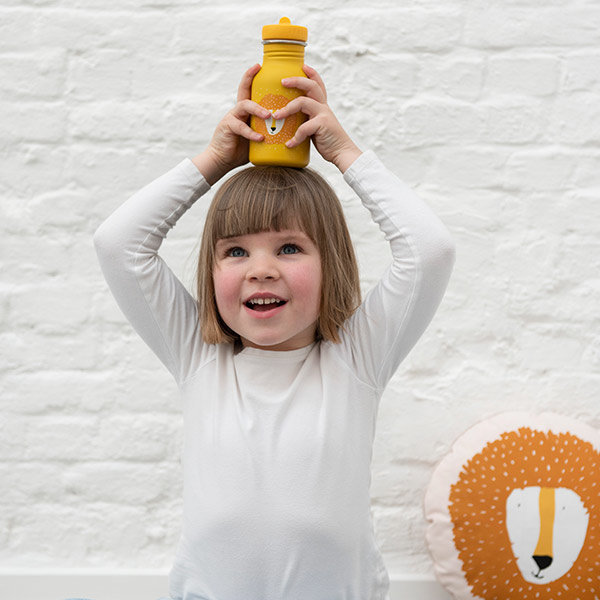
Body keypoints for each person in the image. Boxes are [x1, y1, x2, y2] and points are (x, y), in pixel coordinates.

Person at [93, 63, 455, 600]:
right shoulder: (199, 355)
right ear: (212, 269)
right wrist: (215, 160)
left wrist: (344, 152)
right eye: (236, 251)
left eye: (289, 248)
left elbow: (430, 250)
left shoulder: (355, 358)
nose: (260, 270)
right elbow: (118, 244)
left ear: (330, 265)